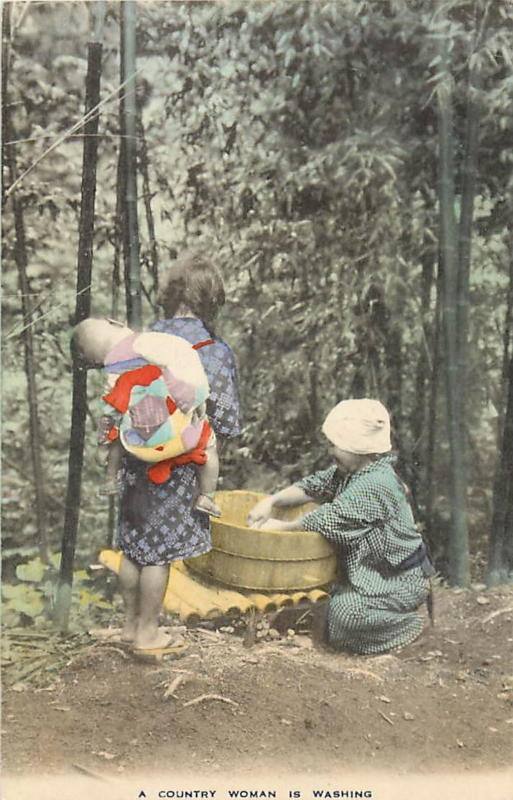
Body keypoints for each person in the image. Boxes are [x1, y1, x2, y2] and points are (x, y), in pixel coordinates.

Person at [116, 250, 240, 653]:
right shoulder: (213, 350)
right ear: (211, 299)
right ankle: (149, 632)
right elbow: (226, 419)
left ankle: (130, 626)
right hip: (178, 463)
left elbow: (118, 398)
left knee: (133, 544)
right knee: (158, 552)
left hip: (135, 453)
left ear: (171, 294)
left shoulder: (144, 339)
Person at [247, 398, 434, 655]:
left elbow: (328, 519)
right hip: (369, 573)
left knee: (345, 616)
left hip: (397, 580)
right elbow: (312, 486)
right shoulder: (349, 472)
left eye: (336, 445)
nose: (331, 451)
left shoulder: (376, 484)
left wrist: (279, 528)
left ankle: (408, 626)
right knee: (312, 599)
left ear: (357, 448)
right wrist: (271, 501)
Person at [72, 317, 221, 516]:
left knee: (119, 433)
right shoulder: (149, 342)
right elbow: (186, 360)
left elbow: (108, 418)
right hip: (183, 437)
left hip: (142, 447)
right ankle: (207, 496)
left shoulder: (112, 377)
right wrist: (198, 400)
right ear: (116, 322)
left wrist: (102, 446)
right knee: (209, 446)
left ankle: (110, 479)